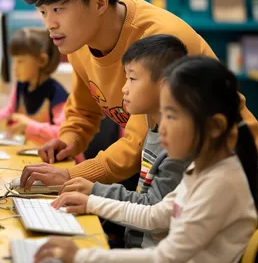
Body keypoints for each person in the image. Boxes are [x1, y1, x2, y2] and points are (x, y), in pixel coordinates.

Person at [19, 0, 258, 188]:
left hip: (232, 171)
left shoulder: (160, 43)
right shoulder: (78, 40)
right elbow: (84, 110)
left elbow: (138, 144)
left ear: (100, 2)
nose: (50, 24)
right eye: (43, 11)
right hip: (174, 176)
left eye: (58, 9)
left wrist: (71, 176)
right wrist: (68, 140)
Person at [35, 56, 258, 263]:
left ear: (215, 127)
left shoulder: (221, 182)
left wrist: (82, 257)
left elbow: (165, 257)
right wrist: (90, 202)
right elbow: (154, 215)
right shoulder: (202, 168)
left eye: (171, 116)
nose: (162, 128)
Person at [61, 34, 190, 249]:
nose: (123, 88)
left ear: (164, 85)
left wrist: (95, 193)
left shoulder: (177, 148)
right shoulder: (155, 131)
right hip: (136, 245)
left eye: (132, 78)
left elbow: (153, 209)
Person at [0, 27, 68, 146]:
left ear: (42, 60)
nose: (14, 67)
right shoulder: (20, 86)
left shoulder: (56, 94)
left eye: (20, 61)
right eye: (13, 61)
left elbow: (63, 135)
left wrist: (28, 125)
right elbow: (9, 112)